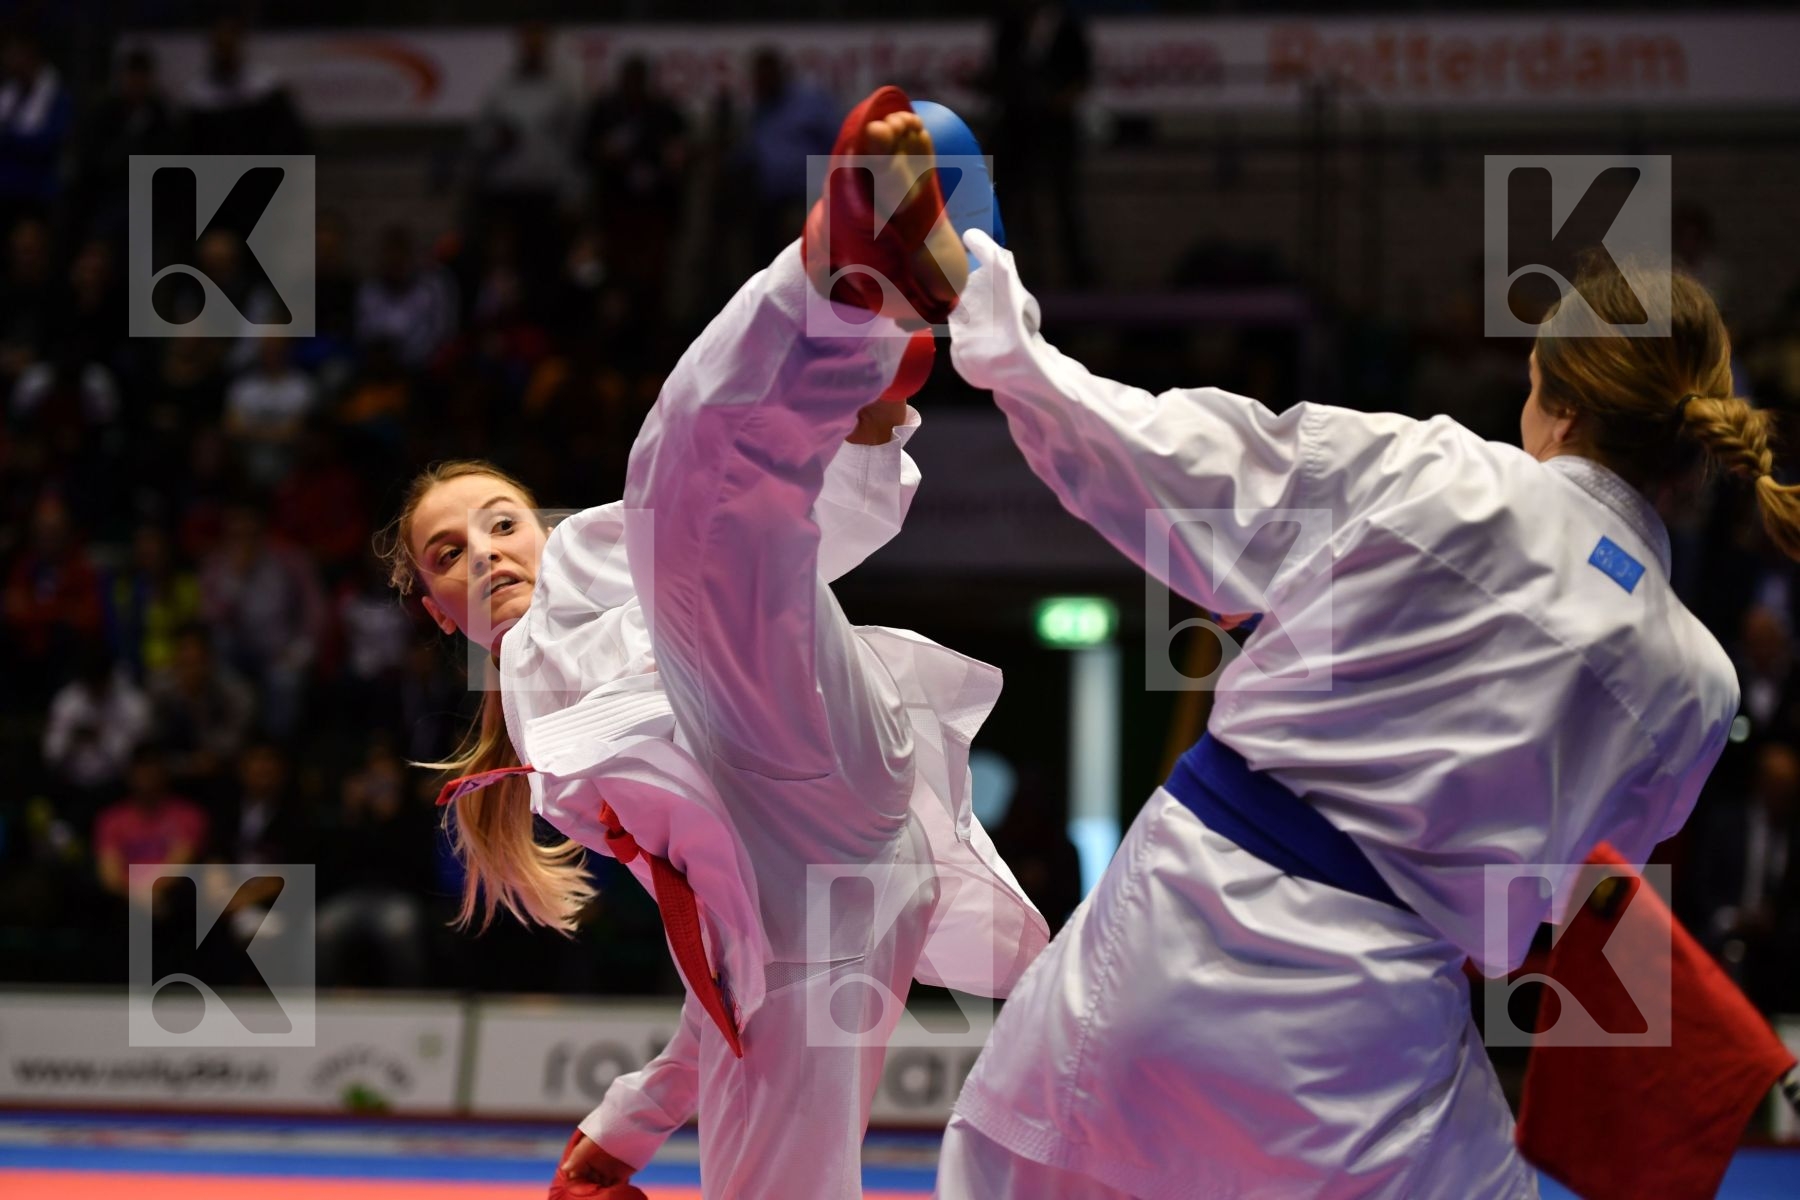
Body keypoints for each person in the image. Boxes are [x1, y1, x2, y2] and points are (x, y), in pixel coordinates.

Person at [933, 232, 1785, 1198]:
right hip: (1375, 1045)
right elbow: (1561, 892)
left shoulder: (1436, 474)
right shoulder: (1698, 692)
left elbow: (1150, 456)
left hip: (1168, 948)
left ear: (1563, 404)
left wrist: (1004, 332)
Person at [379, 90, 1045, 1200]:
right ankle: (859, 306)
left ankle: (851, 280)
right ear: (437, 611)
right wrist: (619, 1140)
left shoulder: (604, 556)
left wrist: (862, 434)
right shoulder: (539, 738)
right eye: (449, 554)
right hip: (816, 907)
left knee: (678, 496)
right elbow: (720, 961)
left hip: (805, 751)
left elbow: (762, 548)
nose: (489, 551)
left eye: (502, 520)